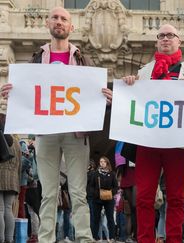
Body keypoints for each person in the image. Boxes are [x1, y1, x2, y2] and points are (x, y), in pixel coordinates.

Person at [0, 7, 112, 242]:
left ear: (72, 27)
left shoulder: (83, 60)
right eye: (55, 18)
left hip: (76, 133)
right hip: (46, 133)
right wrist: (13, 93)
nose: (59, 22)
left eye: (64, 19)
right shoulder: (36, 59)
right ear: (48, 23)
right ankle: (46, 239)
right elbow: (27, 95)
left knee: (78, 193)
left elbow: (93, 96)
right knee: (49, 193)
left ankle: (84, 238)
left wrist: (107, 98)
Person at [122, 24, 184, 242]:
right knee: (145, 197)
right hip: (148, 144)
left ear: (179, 41)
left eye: (170, 35)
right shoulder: (144, 72)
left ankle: (174, 239)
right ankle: (146, 239)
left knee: (176, 197)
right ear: (157, 41)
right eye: (162, 36)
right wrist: (129, 84)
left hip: (177, 145)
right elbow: (134, 103)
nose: (166, 39)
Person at [0, 106, 21, 243]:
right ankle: (9, 239)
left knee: (0, 210)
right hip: (13, 180)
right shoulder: (17, 142)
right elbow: (20, 164)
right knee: (8, 209)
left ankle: (1, 239)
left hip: (0, 177)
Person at [88, 156, 118, 242]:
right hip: (97, 199)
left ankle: (112, 237)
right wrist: (96, 193)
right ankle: (95, 237)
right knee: (96, 218)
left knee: (110, 218)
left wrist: (110, 193)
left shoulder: (112, 174)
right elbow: (91, 186)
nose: (102, 163)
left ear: (107, 163)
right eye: (101, 161)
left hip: (109, 199)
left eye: (104, 161)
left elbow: (116, 187)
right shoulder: (95, 173)